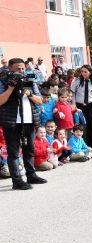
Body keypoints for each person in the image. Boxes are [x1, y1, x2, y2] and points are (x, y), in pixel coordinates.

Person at [0, 58, 46, 190]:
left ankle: (31, 175)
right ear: (10, 69)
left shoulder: (29, 78)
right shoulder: (3, 80)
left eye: (22, 68)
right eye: (17, 69)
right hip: (12, 121)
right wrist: (10, 89)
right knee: (13, 153)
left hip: (29, 120)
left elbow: (40, 100)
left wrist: (29, 93)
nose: (21, 71)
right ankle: (17, 181)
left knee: (29, 150)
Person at [70, 65, 92, 151]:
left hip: (91, 106)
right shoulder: (76, 81)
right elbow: (72, 93)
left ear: (90, 72)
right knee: (81, 128)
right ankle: (82, 147)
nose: (83, 73)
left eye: (85, 72)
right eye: (82, 72)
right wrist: (73, 104)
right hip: (80, 106)